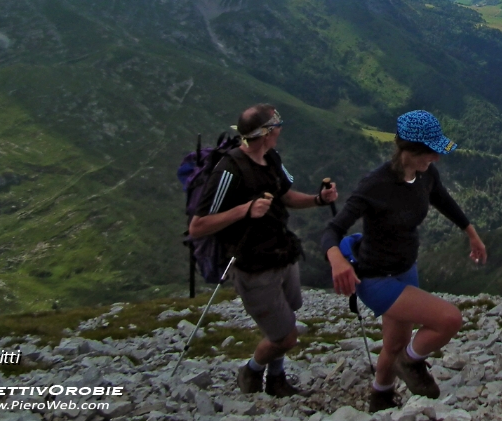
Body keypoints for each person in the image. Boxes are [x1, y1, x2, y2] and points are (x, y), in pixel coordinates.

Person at [323, 110, 486, 412]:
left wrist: (471, 232)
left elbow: (443, 199)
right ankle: (410, 363)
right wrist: (337, 260)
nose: (436, 158)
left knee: (395, 342)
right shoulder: (375, 185)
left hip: (405, 267)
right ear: (409, 151)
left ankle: (380, 395)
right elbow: (333, 230)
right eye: (431, 152)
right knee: (449, 319)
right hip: (374, 277)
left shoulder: (425, 174)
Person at [188, 104, 338, 397]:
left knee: (289, 316)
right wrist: (245, 210)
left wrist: (318, 200)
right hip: (253, 264)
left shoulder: (271, 158)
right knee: (285, 336)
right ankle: (252, 370)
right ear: (266, 133)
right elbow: (198, 226)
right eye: (277, 126)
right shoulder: (228, 169)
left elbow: (286, 196)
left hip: (283, 253)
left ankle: (277, 379)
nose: (280, 130)